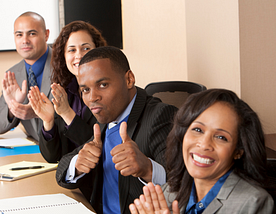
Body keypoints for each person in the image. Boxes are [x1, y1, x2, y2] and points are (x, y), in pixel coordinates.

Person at [55, 46, 178, 214]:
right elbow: (62, 169)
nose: (92, 98)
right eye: (85, 90)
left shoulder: (160, 116)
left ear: (129, 79)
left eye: (103, 84)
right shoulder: (104, 116)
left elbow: (182, 184)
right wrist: (77, 163)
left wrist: (148, 169)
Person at [129, 89, 275, 214]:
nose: (204, 144)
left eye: (221, 137)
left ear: (238, 151)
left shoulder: (253, 203)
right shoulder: (170, 191)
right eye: (197, 130)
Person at [27, 21, 107, 163]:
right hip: (70, 178)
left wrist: (67, 113)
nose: (79, 55)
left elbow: (99, 149)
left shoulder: (107, 91)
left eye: (86, 48)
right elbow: (52, 157)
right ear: (63, 56)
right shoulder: (64, 91)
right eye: (71, 50)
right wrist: (48, 122)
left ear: (98, 50)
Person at [0, 11, 51, 141]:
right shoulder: (13, 74)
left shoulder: (65, 65)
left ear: (46, 35)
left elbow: (78, 114)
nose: (25, 40)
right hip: (35, 149)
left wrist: (38, 113)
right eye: (19, 35)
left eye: (32, 33)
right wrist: (13, 107)